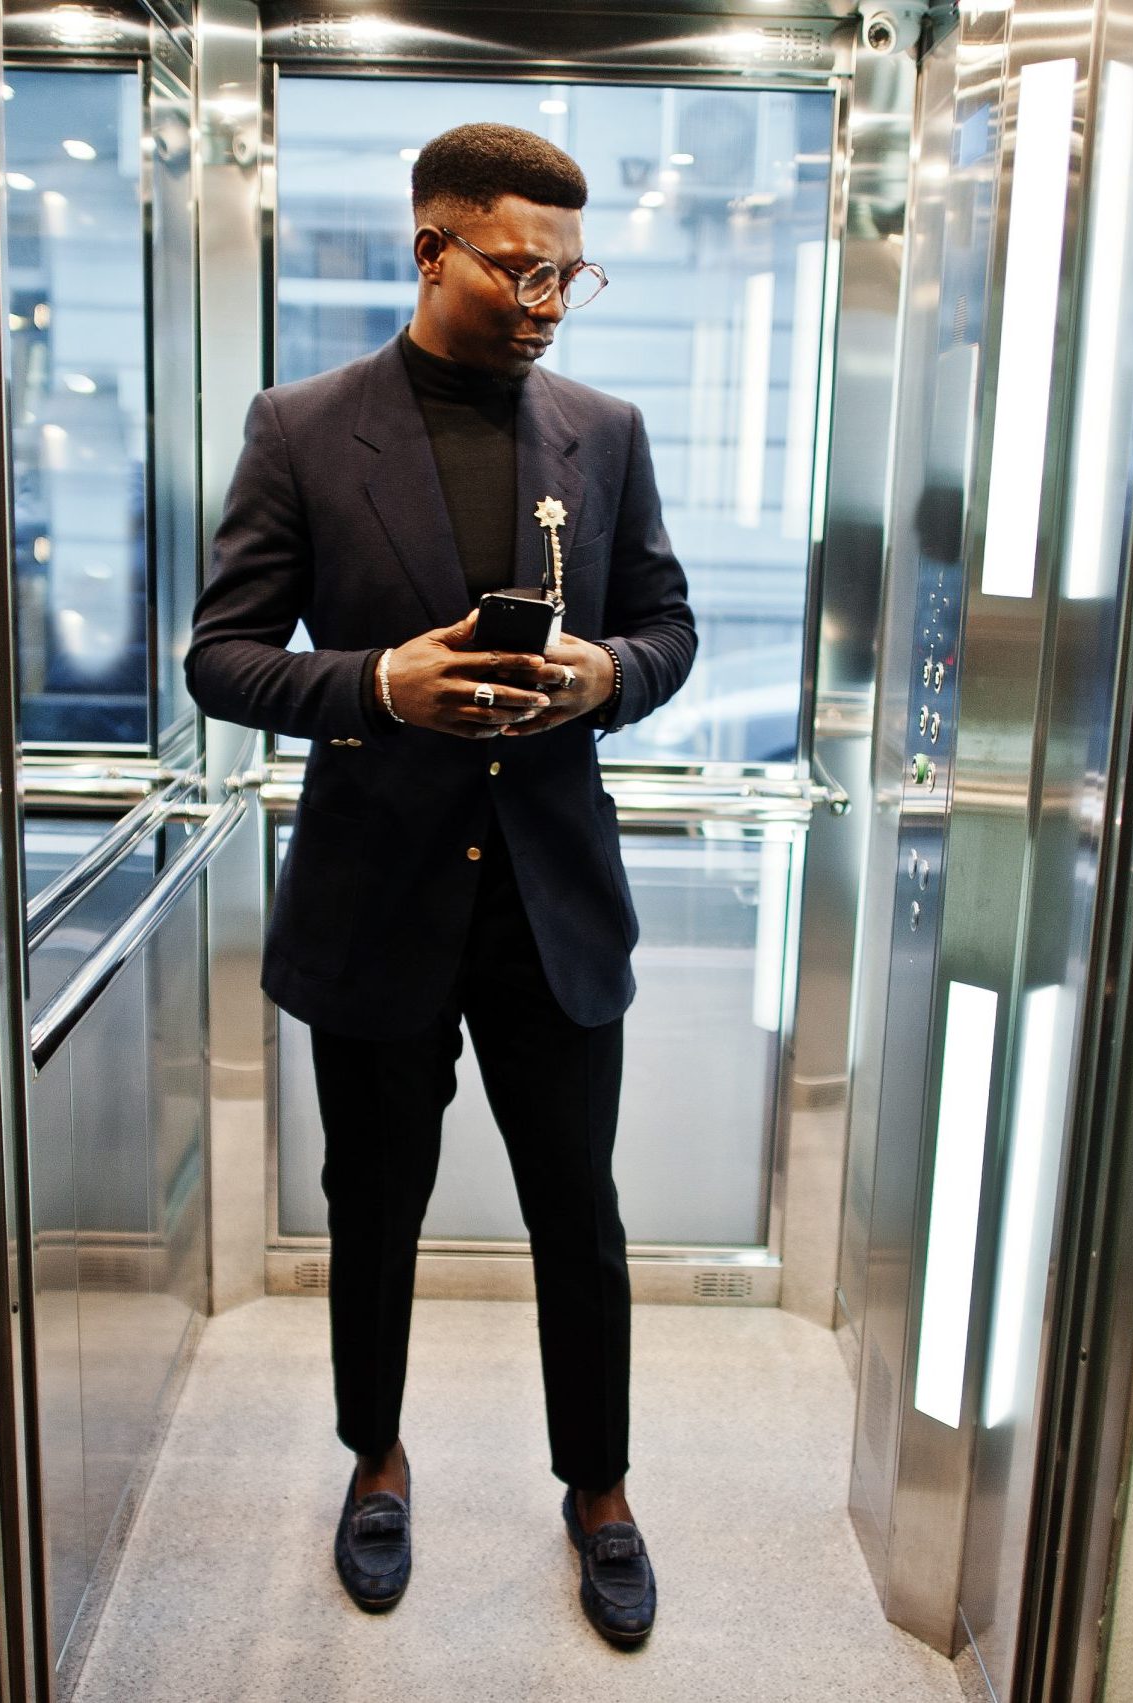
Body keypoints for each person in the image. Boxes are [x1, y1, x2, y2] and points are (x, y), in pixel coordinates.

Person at [185, 122, 696, 1646]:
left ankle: (598, 1488)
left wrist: (606, 673)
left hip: (552, 906)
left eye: (568, 274)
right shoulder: (302, 426)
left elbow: (667, 625)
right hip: (375, 898)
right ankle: (375, 1461)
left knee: (578, 1219)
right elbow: (220, 658)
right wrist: (374, 687)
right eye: (519, 266)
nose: (546, 298)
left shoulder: (599, 431)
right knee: (375, 1208)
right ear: (432, 249)